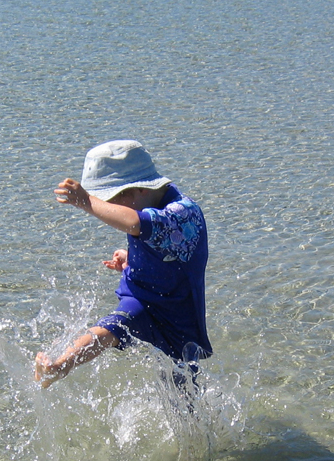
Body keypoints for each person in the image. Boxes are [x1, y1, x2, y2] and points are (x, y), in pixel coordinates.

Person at [34, 140, 212, 388]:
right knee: (111, 327)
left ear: (139, 189)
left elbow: (136, 223)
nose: (110, 209)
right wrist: (133, 259)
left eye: (112, 200)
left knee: (182, 391)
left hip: (174, 314)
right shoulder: (149, 205)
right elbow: (164, 246)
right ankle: (59, 367)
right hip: (141, 299)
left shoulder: (182, 212)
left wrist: (87, 201)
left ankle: (199, 425)